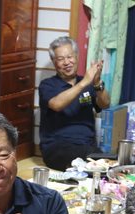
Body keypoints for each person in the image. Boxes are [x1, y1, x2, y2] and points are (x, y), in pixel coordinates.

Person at [38, 36, 111, 171]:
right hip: (57, 148)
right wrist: (84, 83)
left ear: (77, 57)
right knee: (92, 167)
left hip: (87, 145)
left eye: (70, 57)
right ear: (54, 62)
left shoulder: (89, 83)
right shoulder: (47, 85)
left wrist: (96, 83)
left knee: (111, 164)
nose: (67, 62)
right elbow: (57, 104)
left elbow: (105, 104)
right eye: (61, 59)